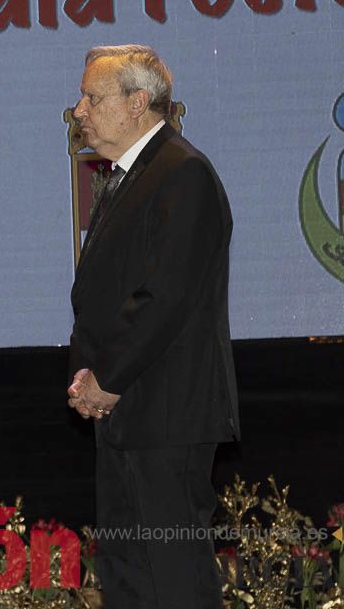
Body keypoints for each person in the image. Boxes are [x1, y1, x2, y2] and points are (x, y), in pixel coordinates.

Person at [65, 45, 238, 607]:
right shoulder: (127, 175)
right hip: (127, 413)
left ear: (139, 102)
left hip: (166, 414)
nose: (79, 110)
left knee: (173, 580)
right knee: (130, 580)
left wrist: (106, 379)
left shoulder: (182, 172)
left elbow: (163, 297)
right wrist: (85, 377)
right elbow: (100, 298)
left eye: (93, 97)